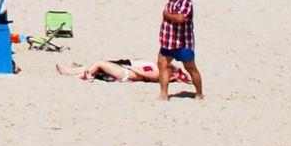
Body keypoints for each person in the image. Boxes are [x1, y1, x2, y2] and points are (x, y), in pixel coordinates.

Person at [157, 0, 202, 100]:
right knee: (162, 65)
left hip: (182, 43)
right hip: (168, 42)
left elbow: (180, 18)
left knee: (190, 68)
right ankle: (163, 94)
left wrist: (167, 15)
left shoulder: (185, 1)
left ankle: (199, 93)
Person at [58, 56, 191, 85]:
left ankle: (75, 77)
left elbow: (146, 75)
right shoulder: (159, 69)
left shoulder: (158, 73)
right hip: (125, 71)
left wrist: (131, 67)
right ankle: (69, 72)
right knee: (98, 65)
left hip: (125, 74)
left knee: (99, 64)